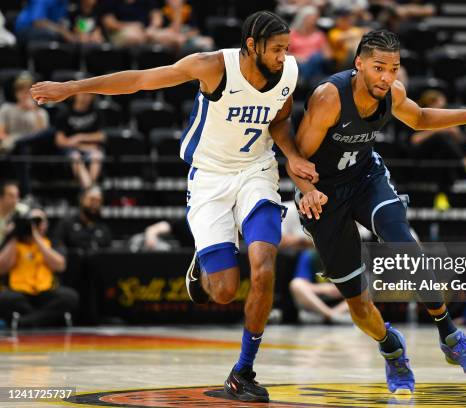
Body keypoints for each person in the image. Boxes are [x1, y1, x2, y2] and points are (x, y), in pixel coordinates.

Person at [31, 10, 316, 403]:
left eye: (287, 49)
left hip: (257, 170)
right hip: (210, 179)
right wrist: (70, 87)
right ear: (251, 46)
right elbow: (139, 80)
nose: (285, 56)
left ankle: (243, 371)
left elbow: (280, 121)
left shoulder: (288, 71)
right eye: (278, 49)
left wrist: (292, 155)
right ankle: (204, 259)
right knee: (223, 293)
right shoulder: (213, 66)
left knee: (264, 267)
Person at [287, 29, 466, 394]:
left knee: (405, 246)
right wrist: (308, 190)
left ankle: (451, 336)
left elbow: (420, 117)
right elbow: (297, 157)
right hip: (324, 193)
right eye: (379, 67)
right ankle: (392, 349)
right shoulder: (329, 98)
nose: (386, 77)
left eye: (393, 68)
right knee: (359, 304)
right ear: (359, 64)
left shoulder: (391, 92)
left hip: (366, 177)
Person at [0, 208, 79, 329]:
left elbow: (60, 266)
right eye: (31, 221)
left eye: (39, 221)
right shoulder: (13, 243)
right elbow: (2, 268)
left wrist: (37, 238)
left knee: (70, 297)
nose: (35, 225)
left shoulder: (52, 242)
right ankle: (43, 319)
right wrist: (14, 235)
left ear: (46, 224)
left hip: (46, 292)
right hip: (20, 293)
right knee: (4, 298)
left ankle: (27, 321)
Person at [55, 93, 106, 189]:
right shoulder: (65, 113)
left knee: (97, 155)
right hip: (70, 150)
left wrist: (80, 137)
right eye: (82, 94)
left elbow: (101, 136)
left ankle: (88, 190)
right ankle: (89, 189)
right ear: (75, 95)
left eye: (89, 95)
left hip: (90, 149)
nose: (85, 97)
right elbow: (60, 141)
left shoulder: (96, 112)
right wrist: (80, 146)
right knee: (76, 157)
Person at [52, 186, 112, 252]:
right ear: (81, 199)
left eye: (99, 201)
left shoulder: (103, 228)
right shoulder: (66, 224)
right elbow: (57, 248)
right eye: (92, 200)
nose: (95, 204)